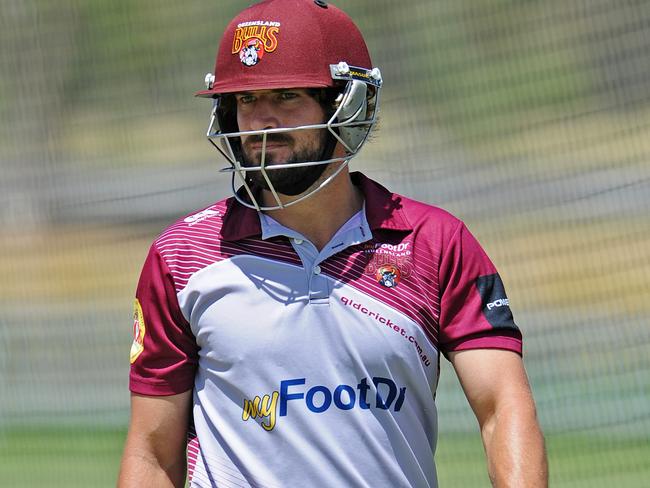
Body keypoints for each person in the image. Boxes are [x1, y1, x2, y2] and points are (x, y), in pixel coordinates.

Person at [118, 0, 548, 486]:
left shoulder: (435, 243)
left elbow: (502, 407)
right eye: (246, 101)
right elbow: (152, 455)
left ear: (348, 106)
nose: (261, 121)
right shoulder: (183, 254)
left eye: (286, 96)